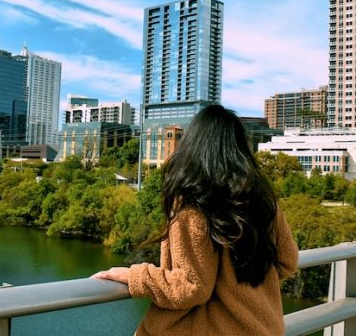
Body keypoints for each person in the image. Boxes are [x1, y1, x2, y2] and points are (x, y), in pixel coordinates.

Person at [92, 105, 299, 335]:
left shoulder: (193, 203)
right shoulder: (263, 199)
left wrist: (135, 276)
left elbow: (191, 287)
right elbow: (288, 261)